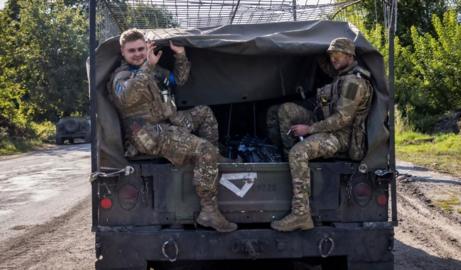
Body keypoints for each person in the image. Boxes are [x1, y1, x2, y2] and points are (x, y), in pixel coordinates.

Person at [108, 28, 237, 232]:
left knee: (204, 113)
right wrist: (147, 67)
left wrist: (180, 55)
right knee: (204, 149)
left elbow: (178, 79)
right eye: (131, 50)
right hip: (147, 134)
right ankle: (209, 212)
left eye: (141, 48)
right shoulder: (121, 76)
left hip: (169, 122)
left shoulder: (153, 70)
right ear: (122, 52)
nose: (138, 54)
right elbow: (125, 99)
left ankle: (209, 165)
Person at [269, 37, 373, 231]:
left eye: (337, 54)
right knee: (283, 111)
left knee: (298, 153)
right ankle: (288, 164)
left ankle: (301, 214)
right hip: (325, 125)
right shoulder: (341, 75)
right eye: (331, 55)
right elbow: (326, 66)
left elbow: (342, 119)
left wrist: (309, 130)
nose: (333, 59)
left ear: (350, 55)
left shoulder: (353, 84)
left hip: (340, 137)